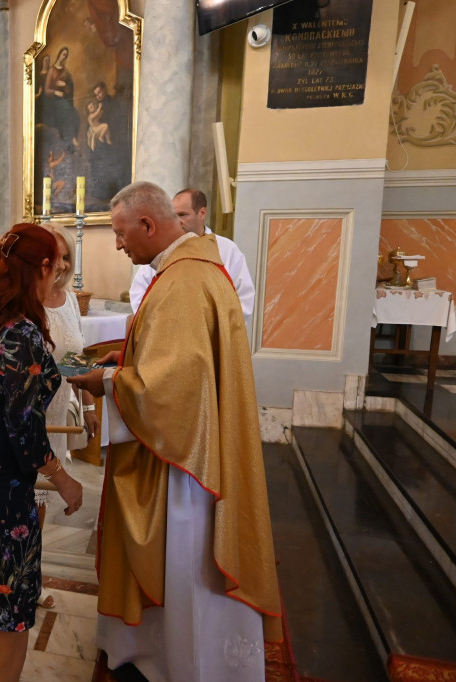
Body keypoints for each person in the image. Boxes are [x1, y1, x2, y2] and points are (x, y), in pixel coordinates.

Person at [67, 182, 282, 682]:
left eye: (121, 234)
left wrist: (107, 381)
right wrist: (129, 358)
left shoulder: (183, 281)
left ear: (148, 225)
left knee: (185, 562)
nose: (118, 245)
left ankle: (181, 662)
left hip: (185, 461)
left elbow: (170, 392)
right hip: (196, 442)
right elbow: (185, 361)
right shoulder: (192, 269)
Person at [0, 223, 84, 682]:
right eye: (55, 265)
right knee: (13, 604)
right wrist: (63, 478)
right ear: (42, 268)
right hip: (5, 480)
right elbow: (24, 429)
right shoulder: (24, 334)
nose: (60, 275)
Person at [35, 223, 98, 610]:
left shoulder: (69, 299)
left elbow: (77, 358)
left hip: (58, 408)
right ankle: (4, 581)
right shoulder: (26, 301)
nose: (59, 262)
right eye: (52, 254)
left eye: (65, 255)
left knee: (40, 500)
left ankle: (31, 577)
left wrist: (89, 405)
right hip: (26, 410)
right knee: (23, 494)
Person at [129, 188, 255, 326]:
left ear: (202, 213)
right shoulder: (161, 248)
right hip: (167, 333)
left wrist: (219, 330)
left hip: (211, 336)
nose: (176, 221)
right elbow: (140, 290)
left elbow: (243, 297)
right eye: (173, 215)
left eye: (183, 215)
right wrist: (157, 325)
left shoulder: (226, 249)